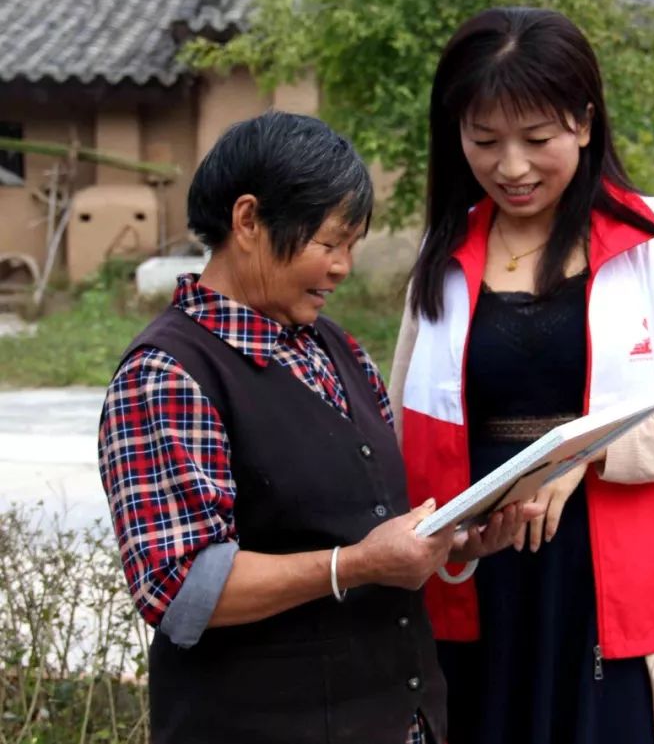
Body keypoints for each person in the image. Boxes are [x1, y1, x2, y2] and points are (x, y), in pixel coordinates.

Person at [98, 111, 532, 744]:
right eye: (328, 244)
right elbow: (182, 586)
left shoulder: (337, 348)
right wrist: (356, 564)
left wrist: (450, 542)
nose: (342, 268)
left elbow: (360, 518)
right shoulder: (168, 373)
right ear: (247, 220)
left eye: (351, 247)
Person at [388, 8, 654, 744]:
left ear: (583, 122)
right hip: (477, 568)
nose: (511, 166)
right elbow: (401, 412)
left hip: (605, 566)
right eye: (484, 141)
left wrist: (583, 456)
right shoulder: (445, 252)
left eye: (537, 139)